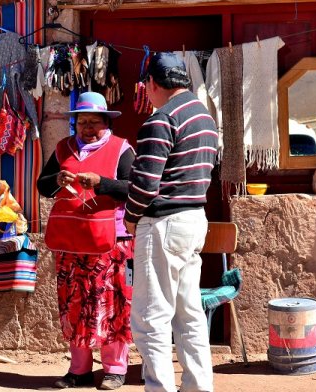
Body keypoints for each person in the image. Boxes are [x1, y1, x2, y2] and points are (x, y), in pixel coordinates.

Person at [123, 52, 219, 392]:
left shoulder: (160, 120)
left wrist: (131, 219)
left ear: (151, 83)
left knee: (151, 319)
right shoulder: (205, 118)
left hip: (163, 225)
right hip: (194, 220)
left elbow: (146, 184)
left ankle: (160, 388)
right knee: (189, 314)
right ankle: (198, 387)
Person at [37, 92, 136, 390]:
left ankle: (115, 370)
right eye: (82, 122)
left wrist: (101, 184)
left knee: (112, 305)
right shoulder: (63, 148)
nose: (87, 128)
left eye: (94, 121)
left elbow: (134, 188)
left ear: (107, 123)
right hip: (71, 243)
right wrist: (56, 181)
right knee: (75, 304)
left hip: (111, 241)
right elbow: (43, 185)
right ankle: (78, 370)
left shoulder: (121, 149)